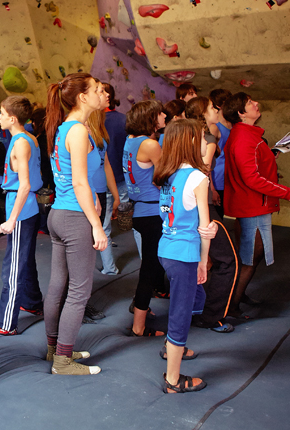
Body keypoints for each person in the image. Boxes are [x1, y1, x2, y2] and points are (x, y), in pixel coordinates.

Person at [44, 73, 107, 375]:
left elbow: (73, 177)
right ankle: (62, 361)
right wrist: (96, 225)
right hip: (73, 218)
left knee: (59, 286)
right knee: (79, 292)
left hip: (59, 214)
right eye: (96, 89)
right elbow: (80, 182)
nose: (100, 93)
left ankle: (55, 349)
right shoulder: (79, 131)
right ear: (83, 97)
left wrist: (92, 194)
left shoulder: (64, 129)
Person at [222, 93, 290, 318]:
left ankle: (236, 296)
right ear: (240, 113)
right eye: (249, 103)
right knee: (250, 259)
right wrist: (289, 193)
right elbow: (252, 179)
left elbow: (252, 165)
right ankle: (231, 307)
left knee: (248, 258)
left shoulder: (245, 135)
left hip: (250, 205)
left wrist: (270, 154)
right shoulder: (243, 138)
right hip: (252, 206)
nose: (256, 103)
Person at [153, 119, 211, 394]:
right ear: (190, 142)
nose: (205, 142)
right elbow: (204, 228)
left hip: (166, 250)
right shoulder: (199, 178)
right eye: (201, 138)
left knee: (195, 298)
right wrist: (203, 261)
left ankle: (171, 347)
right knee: (180, 314)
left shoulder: (167, 174)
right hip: (186, 254)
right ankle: (173, 379)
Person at [0, 96, 44, 335]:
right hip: (26, 206)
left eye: (1, 113)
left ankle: (6, 323)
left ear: (12, 118)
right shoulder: (29, 138)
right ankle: (33, 302)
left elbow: (25, 185)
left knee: (13, 267)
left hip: (21, 206)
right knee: (25, 260)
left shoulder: (20, 142)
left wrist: (11, 219)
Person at [185, 96, 237, 333]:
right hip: (200, 206)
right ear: (203, 114)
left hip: (183, 203)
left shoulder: (185, 135)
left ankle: (198, 308)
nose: (217, 110)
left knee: (198, 259)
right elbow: (202, 172)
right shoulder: (208, 139)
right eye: (213, 108)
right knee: (227, 261)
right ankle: (211, 316)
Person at [123, 101, 167, 336]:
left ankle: (141, 307)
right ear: (151, 118)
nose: (164, 115)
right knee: (150, 269)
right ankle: (139, 326)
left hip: (142, 210)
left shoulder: (131, 141)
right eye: (160, 113)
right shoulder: (150, 144)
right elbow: (163, 177)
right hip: (152, 212)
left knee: (151, 266)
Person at [86, 87, 119, 276]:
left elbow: (106, 165)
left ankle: (109, 269)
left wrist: (115, 195)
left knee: (102, 231)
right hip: (91, 192)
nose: (107, 96)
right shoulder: (82, 132)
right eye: (100, 92)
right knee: (92, 235)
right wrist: (93, 194)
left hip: (99, 191)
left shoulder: (99, 131)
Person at [209, 89, 233, 219]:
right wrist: (212, 188)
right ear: (219, 105)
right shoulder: (215, 127)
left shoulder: (232, 125)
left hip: (229, 180)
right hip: (216, 180)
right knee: (217, 221)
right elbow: (207, 160)